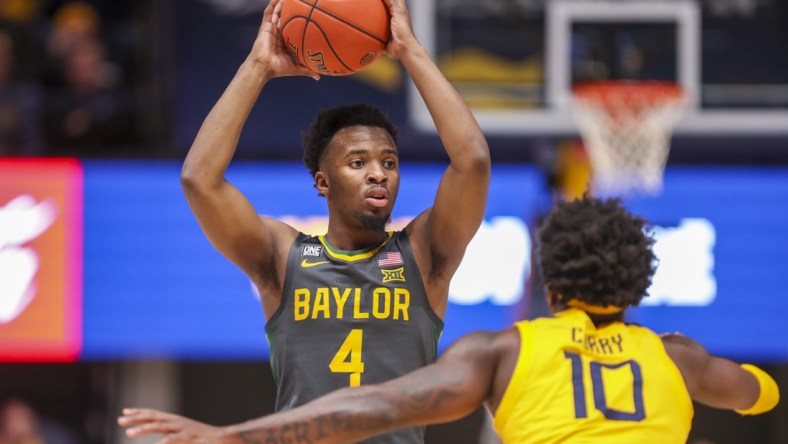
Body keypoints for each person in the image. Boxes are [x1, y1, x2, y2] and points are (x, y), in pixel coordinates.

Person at [118, 196, 780, 443]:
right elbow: (758, 393)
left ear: (550, 284)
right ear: (639, 284)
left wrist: (232, 437)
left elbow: (372, 406)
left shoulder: (498, 351)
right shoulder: (678, 357)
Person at [153, 0, 489, 442]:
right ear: (322, 182)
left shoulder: (425, 255)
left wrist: (411, 51)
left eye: (389, 161)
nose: (378, 172)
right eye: (357, 161)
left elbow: (473, 161)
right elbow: (199, 179)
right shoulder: (282, 257)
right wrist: (258, 66)